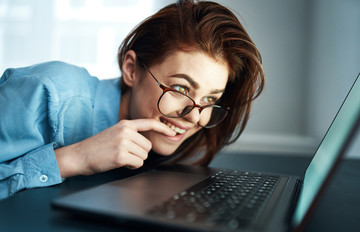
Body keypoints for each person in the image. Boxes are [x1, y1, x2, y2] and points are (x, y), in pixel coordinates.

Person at [0, 0, 264, 200]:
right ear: (131, 70)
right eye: (181, 89)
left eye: (209, 98)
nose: (195, 116)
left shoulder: (172, 145)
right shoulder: (49, 90)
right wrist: (73, 159)